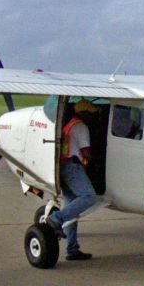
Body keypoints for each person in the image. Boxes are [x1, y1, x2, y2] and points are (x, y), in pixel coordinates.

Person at [46, 99, 98, 261]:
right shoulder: (81, 126)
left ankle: (72, 249)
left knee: (72, 208)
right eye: (90, 113)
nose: (92, 116)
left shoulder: (69, 125)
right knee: (89, 197)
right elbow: (86, 151)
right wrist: (96, 163)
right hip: (72, 167)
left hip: (63, 167)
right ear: (82, 113)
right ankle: (56, 219)